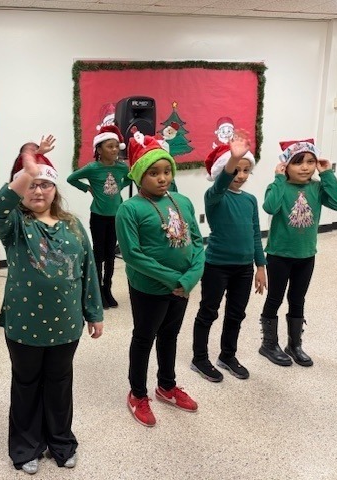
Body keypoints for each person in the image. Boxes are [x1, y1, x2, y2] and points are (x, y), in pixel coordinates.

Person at [0, 145, 103, 475]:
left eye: (45, 183)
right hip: (25, 327)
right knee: (26, 385)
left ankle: (61, 442)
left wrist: (94, 312)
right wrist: (26, 172)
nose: (38, 190)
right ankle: (26, 447)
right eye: (30, 185)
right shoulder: (15, 227)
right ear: (21, 189)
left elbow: (88, 269)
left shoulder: (74, 225)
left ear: (55, 188)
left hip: (66, 327)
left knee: (59, 383)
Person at [116, 130, 204, 428]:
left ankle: (166, 385)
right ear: (140, 176)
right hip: (150, 288)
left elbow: (198, 242)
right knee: (144, 338)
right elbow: (133, 255)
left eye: (167, 171)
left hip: (182, 288)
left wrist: (191, 278)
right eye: (154, 173)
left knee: (170, 335)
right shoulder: (129, 209)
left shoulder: (182, 201)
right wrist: (172, 279)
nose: (162, 178)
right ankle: (137, 393)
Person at [191, 131, 266, 383]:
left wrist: (260, 266)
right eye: (236, 170)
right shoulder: (214, 197)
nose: (241, 176)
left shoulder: (250, 200)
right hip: (217, 266)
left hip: (244, 268)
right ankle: (199, 358)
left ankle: (227, 355)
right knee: (208, 311)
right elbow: (221, 183)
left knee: (236, 314)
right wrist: (233, 158)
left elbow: (255, 233)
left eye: (246, 171)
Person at [258, 139, 337, 367]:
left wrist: (327, 174)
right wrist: (277, 178)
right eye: (298, 162)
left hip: (306, 255)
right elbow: (270, 207)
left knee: (297, 299)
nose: (305, 167)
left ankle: (294, 344)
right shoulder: (280, 186)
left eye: (310, 161)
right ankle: (268, 344)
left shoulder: (317, 187)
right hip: (279, 254)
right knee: (274, 297)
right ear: (286, 165)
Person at [67, 125, 130, 309]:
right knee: (99, 254)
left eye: (117, 146)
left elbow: (131, 177)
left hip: (116, 216)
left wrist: (120, 186)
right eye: (110, 146)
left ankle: (107, 288)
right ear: (99, 150)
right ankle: (96, 291)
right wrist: (87, 188)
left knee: (111, 254)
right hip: (98, 217)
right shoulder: (93, 168)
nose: (115, 150)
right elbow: (72, 178)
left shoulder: (120, 167)